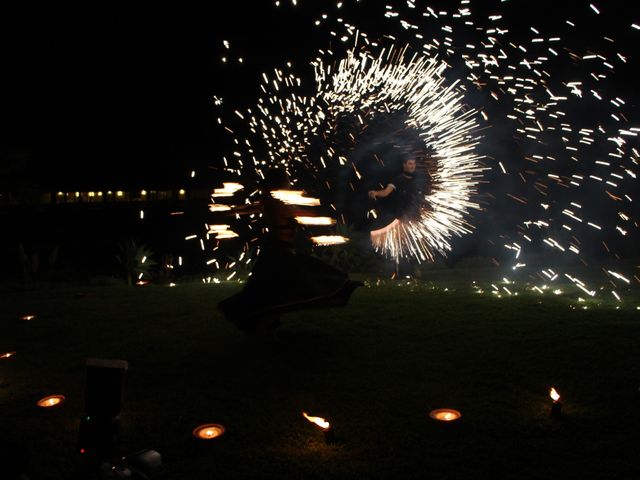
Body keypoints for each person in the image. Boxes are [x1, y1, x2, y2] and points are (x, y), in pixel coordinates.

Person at [218, 168, 362, 339]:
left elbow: (251, 208)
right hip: (279, 255)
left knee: (273, 292)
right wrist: (322, 217)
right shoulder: (279, 204)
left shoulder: (269, 200)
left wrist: (233, 209)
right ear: (281, 182)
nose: (290, 182)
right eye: (287, 179)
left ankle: (261, 327)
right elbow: (299, 214)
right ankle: (261, 328)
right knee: (284, 292)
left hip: (273, 252)